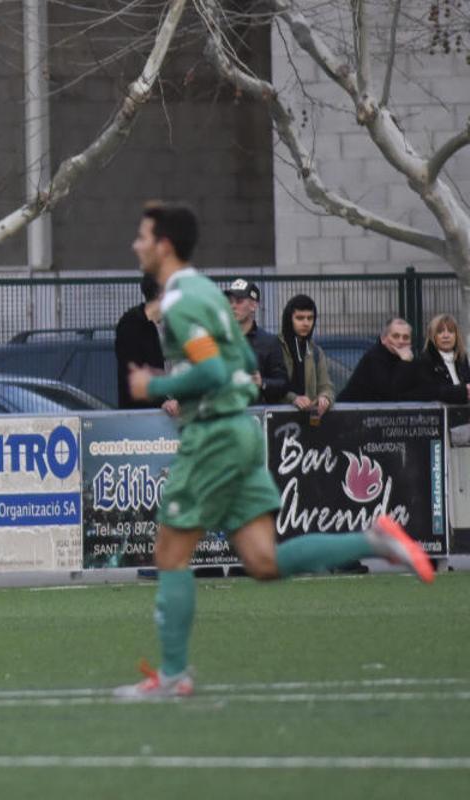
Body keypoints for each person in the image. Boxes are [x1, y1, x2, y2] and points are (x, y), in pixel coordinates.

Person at [119, 203, 432, 699]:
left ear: (164, 245)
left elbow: (214, 370)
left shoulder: (181, 300)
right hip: (238, 432)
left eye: (141, 236)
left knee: (170, 554)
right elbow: (241, 362)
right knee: (263, 561)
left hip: (213, 438)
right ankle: (374, 540)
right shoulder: (205, 291)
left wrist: (154, 383)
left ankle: (174, 675)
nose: (135, 244)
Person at [223, 278, 289, 404]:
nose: (233, 306)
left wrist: (261, 382)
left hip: (256, 412)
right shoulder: (220, 339)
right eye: (230, 301)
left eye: (239, 301)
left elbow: (283, 384)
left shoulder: (269, 342)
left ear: (253, 305)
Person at [336, 318, 422, 402]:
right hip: (348, 409)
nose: (401, 341)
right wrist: (405, 363)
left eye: (406, 337)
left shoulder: (408, 358)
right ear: (383, 339)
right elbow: (390, 394)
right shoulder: (374, 358)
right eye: (395, 336)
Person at [114, 273, 167, 410]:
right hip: (142, 415)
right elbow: (134, 376)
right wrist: (163, 402)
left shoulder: (168, 325)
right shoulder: (131, 325)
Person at [277, 294, 335, 418]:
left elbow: (326, 386)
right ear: (289, 319)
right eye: (300, 318)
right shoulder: (276, 346)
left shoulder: (316, 351)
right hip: (276, 419)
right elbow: (272, 386)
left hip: (309, 421)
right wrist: (293, 398)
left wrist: (325, 397)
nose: (306, 323)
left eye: (310, 318)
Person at [414, 313, 470, 404]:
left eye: (451, 331)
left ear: (456, 335)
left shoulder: (462, 358)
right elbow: (431, 391)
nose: (446, 336)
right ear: (433, 336)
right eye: (440, 332)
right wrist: (463, 391)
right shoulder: (425, 361)